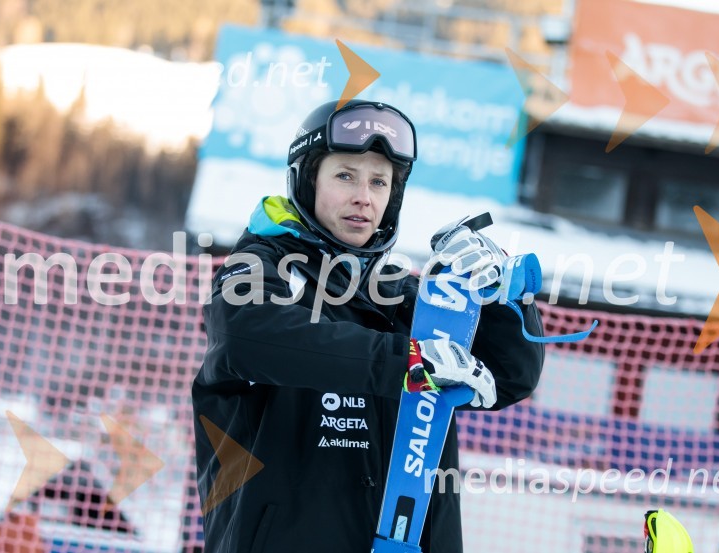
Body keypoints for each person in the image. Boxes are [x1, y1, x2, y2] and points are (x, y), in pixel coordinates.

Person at [192, 99, 545, 552]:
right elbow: (247, 335)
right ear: (306, 180)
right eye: (345, 176)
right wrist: (410, 362)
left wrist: (499, 297)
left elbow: (510, 376)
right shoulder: (261, 267)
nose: (365, 196)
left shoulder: (403, 295)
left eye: (379, 182)